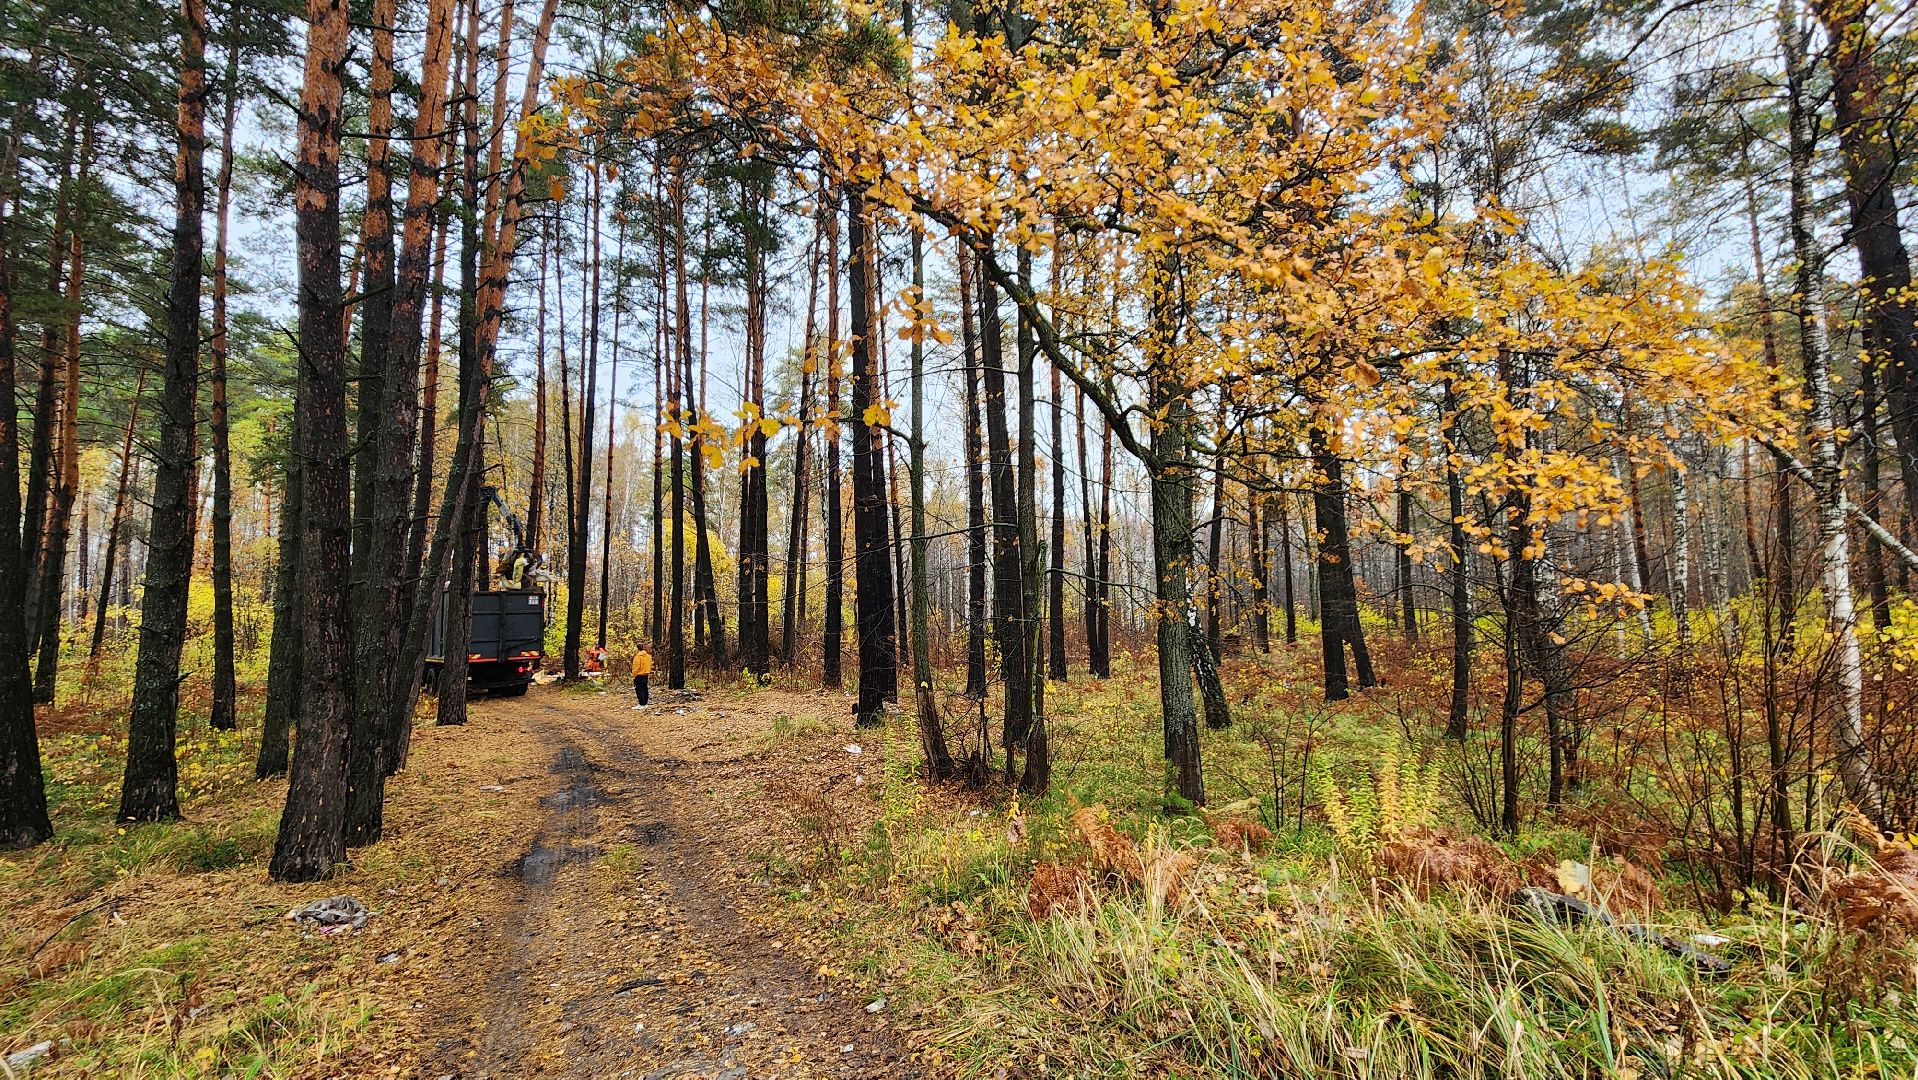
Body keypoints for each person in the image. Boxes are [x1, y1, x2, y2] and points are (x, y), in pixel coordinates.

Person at [631, 644, 653, 708]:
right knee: (645, 689)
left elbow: (636, 667)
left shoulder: (637, 657)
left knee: (639, 690)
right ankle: (645, 703)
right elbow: (650, 665)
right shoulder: (649, 656)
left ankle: (641, 704)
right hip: (646, 675)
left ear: (637, 649)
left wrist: (634, 675)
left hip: (639, 675)